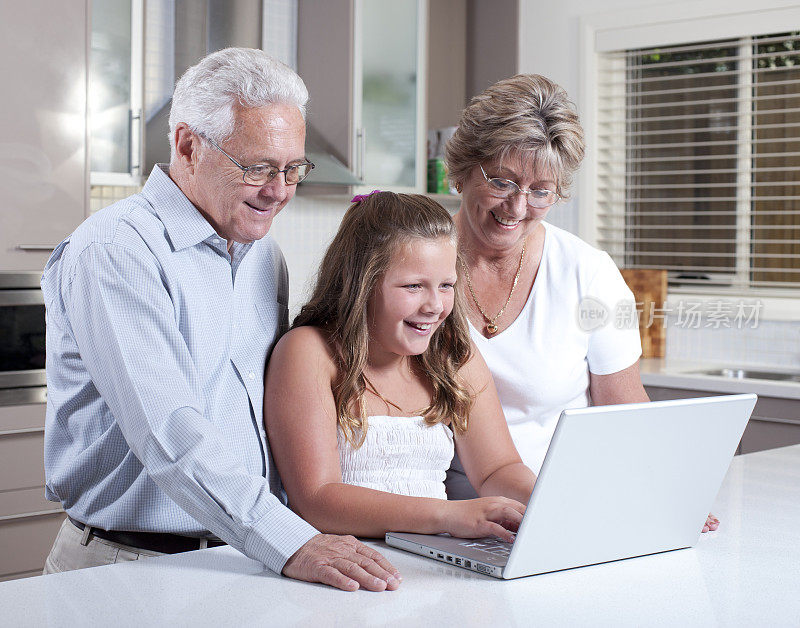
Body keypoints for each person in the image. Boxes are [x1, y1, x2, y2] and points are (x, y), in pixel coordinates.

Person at [40, 47, 401, 591]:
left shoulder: (262, 255)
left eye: (292, 169)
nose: (278, 191)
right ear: (188, 145)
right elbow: (171, 433)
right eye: (256, 167)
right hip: (130, 568)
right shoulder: (117, 249)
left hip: (243, 557)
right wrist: (292, 541)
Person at [442, 74, 719, 533]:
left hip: (561, 509)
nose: (517, 206)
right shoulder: (416, 265)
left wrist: (666, 490)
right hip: (440, 512)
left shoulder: (590, 274)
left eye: (540, 190)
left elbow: (624, 408)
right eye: (502, 181)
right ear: (464, 170)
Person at [264, 191, 536, 540]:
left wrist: (545, 504)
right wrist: (449, 515)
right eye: (413, 286)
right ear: (360, 283)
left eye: (447, 285)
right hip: (344, 568)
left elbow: (498, 468)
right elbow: (316, 500)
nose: (435, 306)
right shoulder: (310, 352)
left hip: (432, 565)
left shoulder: (453, 355)